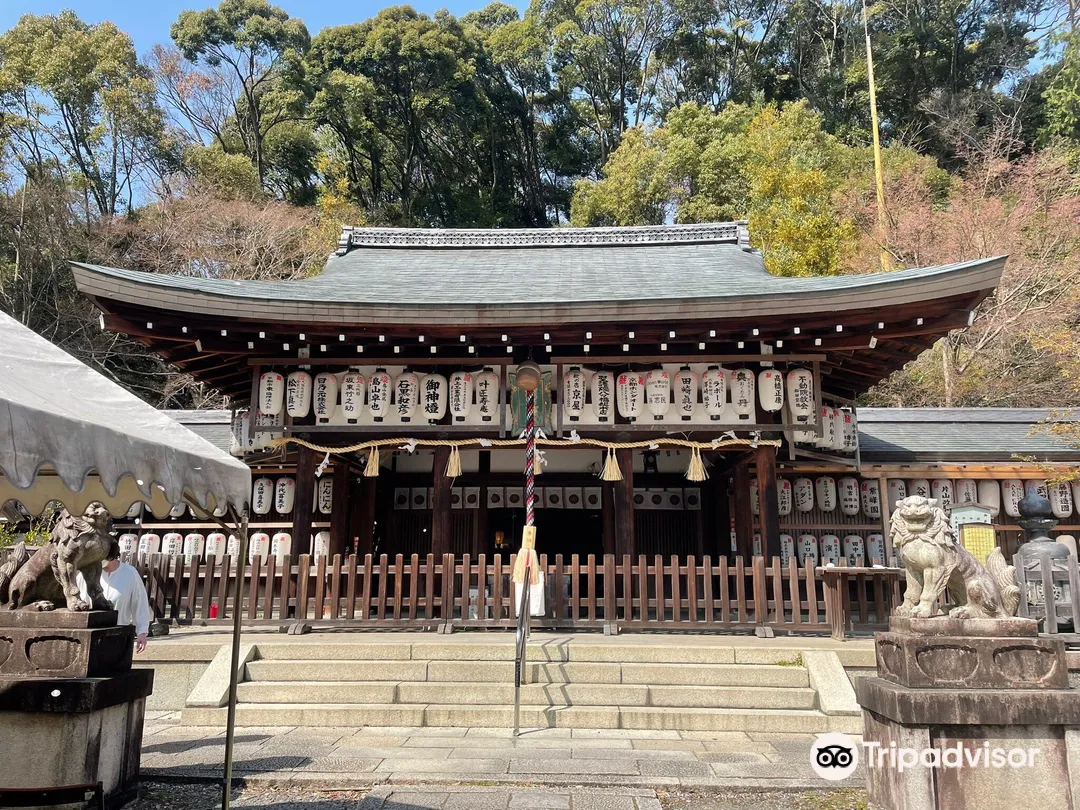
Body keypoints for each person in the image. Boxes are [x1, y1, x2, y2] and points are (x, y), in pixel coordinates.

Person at [77, 540, 151, 653]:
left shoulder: (130, 573)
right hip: (89, 636)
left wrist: (141, 632)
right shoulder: (85, 574)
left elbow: (140, 602)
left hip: (119, 634)